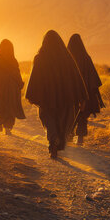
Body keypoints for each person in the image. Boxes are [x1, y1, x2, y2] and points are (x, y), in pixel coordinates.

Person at [26, 30, 87, 158]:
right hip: (66, 98)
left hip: (46, 98)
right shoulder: (67, 57)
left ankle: (52, 139)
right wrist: (81, 97)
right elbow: (76, 77)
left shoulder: (40, 57)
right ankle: (58, 141)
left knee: (48, 119)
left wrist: (32, 95)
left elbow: (34, 78)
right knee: (63, 121)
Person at [67, 33, 105, 145]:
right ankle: (80, 138)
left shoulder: (67, 58)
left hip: (71, 92)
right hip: (86, 92)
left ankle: (69, 135)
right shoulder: (86, 58)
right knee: (83, 116)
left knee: (70, 113)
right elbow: (93, 78)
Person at [0, 39, 26, 135]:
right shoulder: (13, 60)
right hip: (12, 89)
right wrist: (20, 84)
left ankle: (1, 122)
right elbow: (17, 74)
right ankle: (7, 126)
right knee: (10, 107)